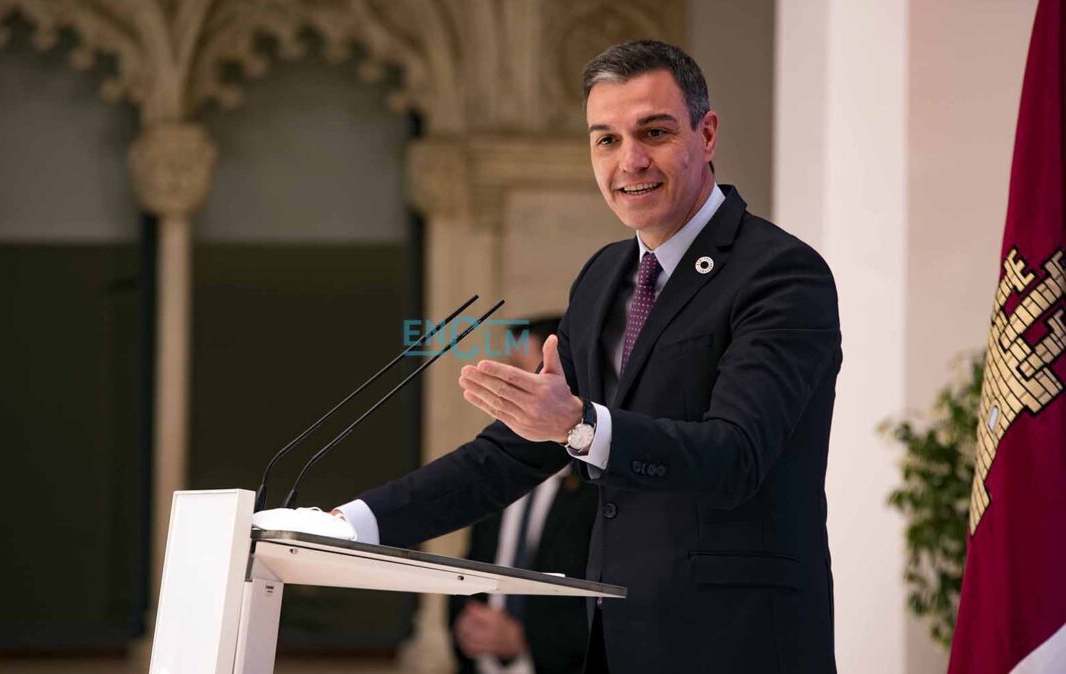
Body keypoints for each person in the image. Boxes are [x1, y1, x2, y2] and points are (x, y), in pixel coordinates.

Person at [336, 40, 841, 673]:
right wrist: (351, 526)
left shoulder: (781, 274)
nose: (630, 160)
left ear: (706, 133)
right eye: (605, 139)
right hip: (614, 646)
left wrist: (579, 425)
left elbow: (735, 456)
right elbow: (508, 455)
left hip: (736, 646)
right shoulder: (603, 278)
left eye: (654, 132)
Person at [448, 316, 597, 674]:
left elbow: (606, 598)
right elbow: (470, 563)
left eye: (517, 372)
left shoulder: (601, 484)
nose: (504, 387)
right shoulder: (496, 470)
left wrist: (524, 638)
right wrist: (465, 629)